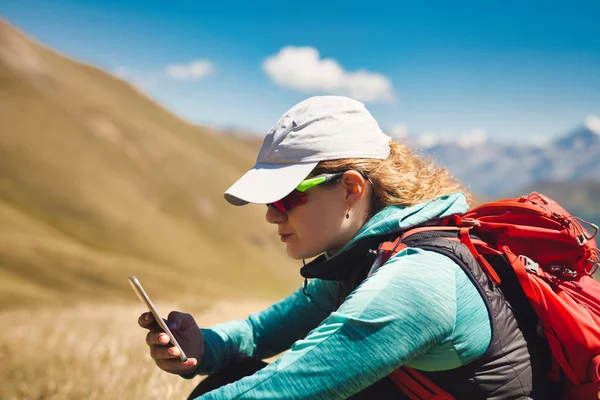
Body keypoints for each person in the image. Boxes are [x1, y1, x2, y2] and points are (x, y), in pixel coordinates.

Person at [138, 96, 549, 399]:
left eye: (287, 199)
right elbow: (259, 333)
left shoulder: (417, 280)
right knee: (229, 375)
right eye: (269, 202)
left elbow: (285, 388)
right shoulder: (366, 257)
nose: (271, 216)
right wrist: (204, 348)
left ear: (351, 188)